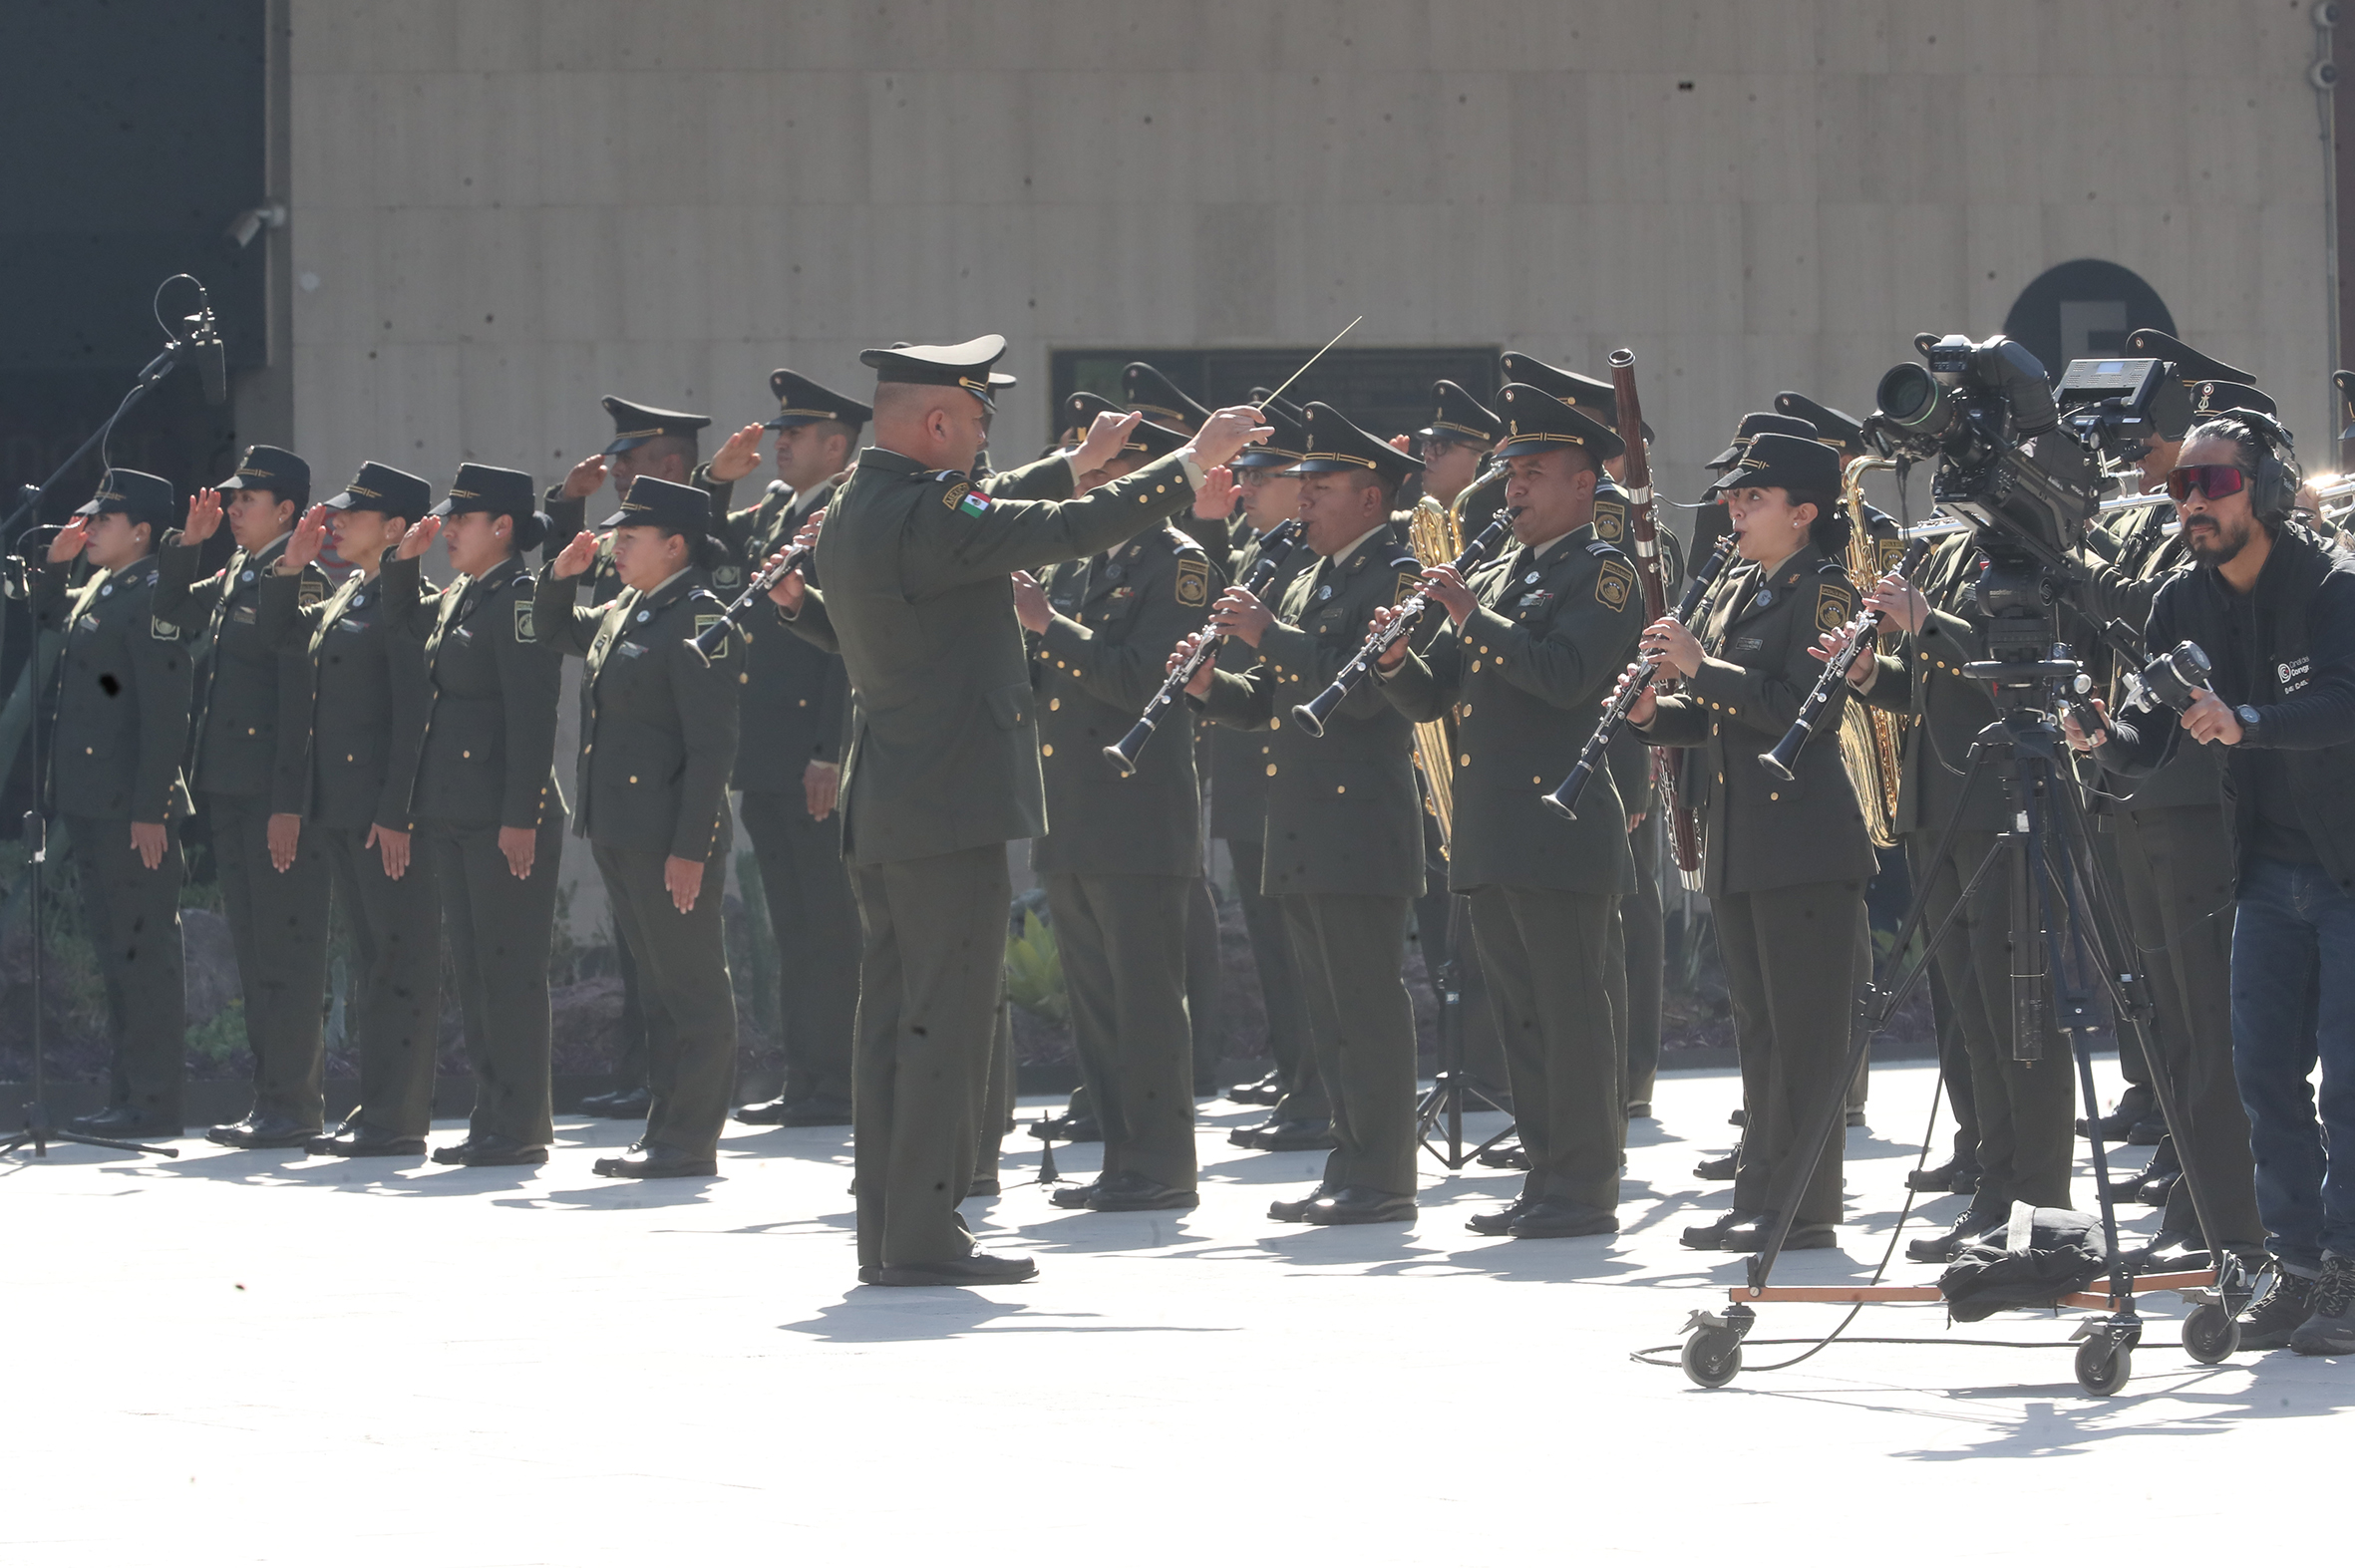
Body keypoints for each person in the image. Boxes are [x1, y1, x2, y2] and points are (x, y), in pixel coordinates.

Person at [767, 334, 1267, 1286]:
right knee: (945, 1025)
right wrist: (1190, 460)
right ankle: (924, 1235)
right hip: (948, 805)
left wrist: (1073, 464)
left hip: (894, 805)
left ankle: (890, 1229)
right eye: (977, 420)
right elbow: (1057, 530)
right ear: (939, 422)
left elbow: (990, 508)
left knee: (892, 1023)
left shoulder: (860, 501)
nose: (985, 439)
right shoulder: (933, 511)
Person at [2074, 414, 2355, 1356]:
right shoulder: (2177, 603)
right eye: (2180, 486)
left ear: (2265, 489)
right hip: (2268, 871)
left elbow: (2346, 701)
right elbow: (2146, 740)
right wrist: (2098, 736)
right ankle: (2298, 1268)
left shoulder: (2335, 587)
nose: (2192, 500)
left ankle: (2351, 1270)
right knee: (2263, 1075)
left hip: (2348, 866)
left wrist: (2248, 721)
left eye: (2215, 483)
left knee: (2351, 1082)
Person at [1371, 385, 1645, 1238]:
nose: (1514, 489)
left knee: (1572, 1017)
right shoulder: (1496, 573)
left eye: (1533, 474)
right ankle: (1544, 1176)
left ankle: (1586, 1187)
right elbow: (1438, 697)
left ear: (1583, 484)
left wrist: (1468, 614)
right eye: (1510, 474)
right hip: (1491, 829)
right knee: (1523, 1017)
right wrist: (1393, 662)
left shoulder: (1605, 573)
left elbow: (1565, 676)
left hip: (1560, 831)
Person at [1626, 433, 1876, 1252]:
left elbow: (1805, 708)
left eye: (1753, 498)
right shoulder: (1740, 587)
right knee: (1759, 1028)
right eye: (1732, 498)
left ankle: (1803, 1206)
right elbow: (1718, 718)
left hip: (1804, 843)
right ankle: (1760, 1193)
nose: (1733, 510)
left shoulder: (1827, 590)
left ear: (1803, 513)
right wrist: (1653, 715)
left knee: (1805, 1036)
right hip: (1741, 838)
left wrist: (1699, 668)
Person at [1180, 402, 1429, 1227]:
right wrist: (1212, 689)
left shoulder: (1395, 575)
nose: (1307, 497)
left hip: (1359, 822)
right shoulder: (1307, 575)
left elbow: (1362, 693)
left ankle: (1384, 1176)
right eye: (1306, 484)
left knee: (1366, 1007)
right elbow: (1272, 699)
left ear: (1372, 497)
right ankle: (1348, 1163)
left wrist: (1268, 634)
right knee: (1328, 1010)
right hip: (1301, 820)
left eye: (1324, 486)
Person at [2070, 335, 2270, 1257]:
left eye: (2205, 473)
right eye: (2179, 472)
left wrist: (2079, 564)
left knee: (2213, 1024)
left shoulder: (2237, 554)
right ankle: (2198, 1191)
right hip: (2144, 787)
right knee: (2169, 1019)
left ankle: (2234, 1213)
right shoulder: (2147, 531)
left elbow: (2149, 623)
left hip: (2202, 803)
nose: (2177, 482)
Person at [1835, 528, 2075, 1263]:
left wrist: (1927, 622)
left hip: (2003, 805)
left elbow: (2026, 675)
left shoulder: (2035, 546)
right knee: (1974, 1020)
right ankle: (1995, 1192)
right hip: (1939, 808)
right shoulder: (1947, 553)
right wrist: (1873, 673)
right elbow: (1932, 687)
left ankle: (2039, 1205)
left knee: (2019, 1016)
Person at [1016, 408, 1226, 1212]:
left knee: (1145, 1004)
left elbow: (1144, 679)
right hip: (1070, 810)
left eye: (1110, 475)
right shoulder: (1075, 566)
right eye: (1093, 476)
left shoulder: (1180, 564)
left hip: (1136, 816)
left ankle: (1162, 1164)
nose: (1095, 489)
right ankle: (1119, 1158)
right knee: (1097, 1008)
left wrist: (1047, 626)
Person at [543, 396, 756, 1119]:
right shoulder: (627, 609)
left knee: (691, 988)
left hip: (669, 836)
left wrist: (690, 847)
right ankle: (665, 1122)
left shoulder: (699, 617)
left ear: (674, 546)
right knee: (658, 986)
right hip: (622, 829)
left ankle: (689, 1134)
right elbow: (555, 632)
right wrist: (561, 573)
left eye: (630, 536)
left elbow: (712, 747)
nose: (616, 546)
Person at [379, 464, 566, 1168]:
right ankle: (494, 1117)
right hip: (455, 807)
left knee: (509, 971)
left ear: (503, 527)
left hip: (502, 816)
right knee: (479, 973)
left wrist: (522, 815)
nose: (449, 529)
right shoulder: (465, 594)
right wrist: (403, 564)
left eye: (462, 519)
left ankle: (520, 1125)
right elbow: (404, 628)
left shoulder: (519, 600)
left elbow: (534, 714)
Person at [254, 465, 443, 1157]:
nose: (335, 522)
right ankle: (379, 1107)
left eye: (352, 515)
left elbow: (414, 715)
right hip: (340, 807)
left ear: (394, 529)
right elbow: (280, 638)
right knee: (372, 962)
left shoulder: (410, 603)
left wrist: (397, 812)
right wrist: (289, 568)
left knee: (399, 961)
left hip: (381, 816)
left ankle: (399, 1117)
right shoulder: (348, 596)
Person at [156, 446, 335, 1149]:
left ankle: (296, 1104)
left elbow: (301, 704)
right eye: (231, 499)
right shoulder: (237, 572)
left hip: (271, 796)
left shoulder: (302, 581)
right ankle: (272, 1100)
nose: (232, 510)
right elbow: (171, 613)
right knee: (256, 950)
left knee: (287, 952)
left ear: (286, 510)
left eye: (245, 501)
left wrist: (288, 803)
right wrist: (188, 547)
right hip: (229, 787)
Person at [725, 370, 868, 1130]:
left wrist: (829, 750)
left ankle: (839, 1080)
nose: (779, 444)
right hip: (767, 756)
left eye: (795, 434)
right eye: (780, 432)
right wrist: (717, 481)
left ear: (835, 446)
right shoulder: (780, 513)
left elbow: (846, 644)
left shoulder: (843, 517)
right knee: (791, 926)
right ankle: (806, 1074)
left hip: (813, 759)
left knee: (828, 927)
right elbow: (712, 551)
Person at [43, 471, 194, 1141]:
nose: (91, 528)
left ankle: (155, 1101)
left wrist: (151, 806)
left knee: (145, 953)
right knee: (116, 953)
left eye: (105, 519)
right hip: (93, 801)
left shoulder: (153, 594)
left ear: (141, 532)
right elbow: (49, 621)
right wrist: (53, 569)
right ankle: (127, 1094)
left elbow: (165, 710)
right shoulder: (104, 588)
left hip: (132, 807)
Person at [1207, 398, 1331, 1145]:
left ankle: (1316, 1093)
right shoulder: (1261, 550)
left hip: (1292, 770)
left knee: (1301, 946)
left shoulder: (1314, 557)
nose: (1245, 487)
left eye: (1262, 476)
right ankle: (1295, 1076)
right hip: (1248, 764)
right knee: (1272, 943)